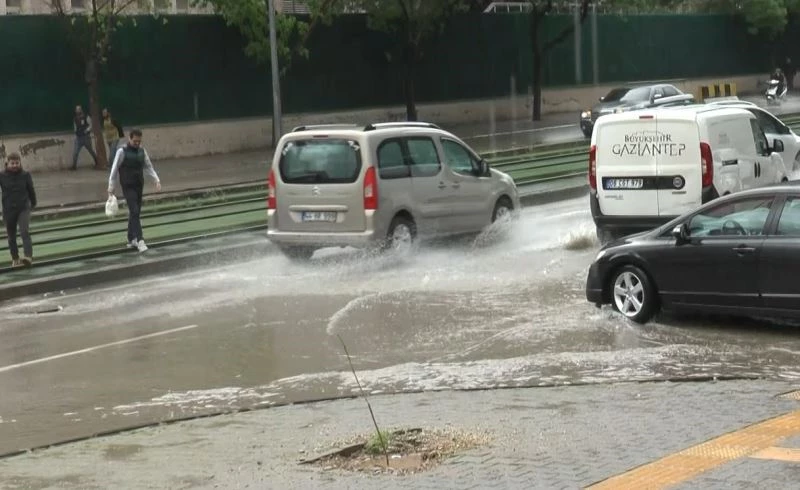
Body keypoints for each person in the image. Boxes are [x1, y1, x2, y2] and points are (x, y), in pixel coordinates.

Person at [107, 129, 162, 252]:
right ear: (130, 139)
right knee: (135, 210)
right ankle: (140, 239)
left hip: (138, 184)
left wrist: (156, 180)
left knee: (135, 212)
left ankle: (131, 238)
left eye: (139, 141)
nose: (137, 143)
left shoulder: (142, 151)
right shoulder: (121, 152)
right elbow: (114, 168)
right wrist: (111, 187)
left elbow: (148, 166)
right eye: (135, 141)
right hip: (127, 185)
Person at [0, 152, 37, 267]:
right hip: (8, 209)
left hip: (23, 207)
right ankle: (15, 258)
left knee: (24, 231)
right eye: (12, 163)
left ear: (20, 163)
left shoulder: (25, 175)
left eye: (17, 163)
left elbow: (31, 189)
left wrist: (33, 203)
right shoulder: (1, 175)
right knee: (11, 236)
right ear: (7, 163)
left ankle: (28, 257)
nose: (15, 165)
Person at [71, 105, 99, 170]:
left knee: (90, 150)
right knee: (75, 152)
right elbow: (75, 127)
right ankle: (74, 166)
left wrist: (86, 130)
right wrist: (76, 132)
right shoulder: (75, 118)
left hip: (86, 137)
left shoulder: (86, 116)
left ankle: (97, 162)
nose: (78, 111)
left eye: (79, 109)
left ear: (81, 110)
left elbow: (91, 124)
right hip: (79, 138)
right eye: (77, 109)